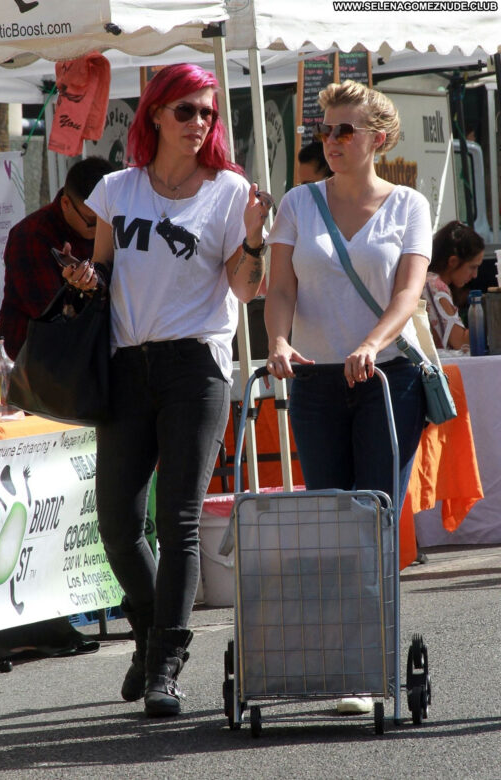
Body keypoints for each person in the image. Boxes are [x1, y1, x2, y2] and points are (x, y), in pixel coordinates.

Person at [59, 63, 269, 717]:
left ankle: (165, 666)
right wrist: (85, 278)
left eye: (208, 113)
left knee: (178, 520)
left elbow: (246, 290)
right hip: (127, 365)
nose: (199, 123)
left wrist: (254, 237)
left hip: (196, 367)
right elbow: (102, 270)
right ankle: (150, 632)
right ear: (154, 113)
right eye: (186, 110)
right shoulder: (118, 188)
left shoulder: (229, 191)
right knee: (118, 525)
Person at [264, 81, 432, 714]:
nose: (330, 141)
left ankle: (368, 666)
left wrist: (370, 343)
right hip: (314, 380)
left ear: (377, 140)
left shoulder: (407, 204)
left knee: (374, 516)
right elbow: (280, 287)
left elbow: (408, 294)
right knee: (332, 520)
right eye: (325, 130)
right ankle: (344, 660)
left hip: (388, 378)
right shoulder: (299, 203)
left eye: (344, 130)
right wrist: (278, 342)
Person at [0, 156, 115, 359]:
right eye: (92, 222)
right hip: (39, 362)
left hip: (94, 355)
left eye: (109, 219)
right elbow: (51, 316)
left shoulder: (114, 228)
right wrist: (78, 288)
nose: (102, 229)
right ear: (66, 203)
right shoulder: (31, 236)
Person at [422, 220, 484, 350]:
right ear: (453, 261)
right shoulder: (434, 287)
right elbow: (460, 343)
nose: (475, 275)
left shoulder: (432, 283)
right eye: (472, 267)